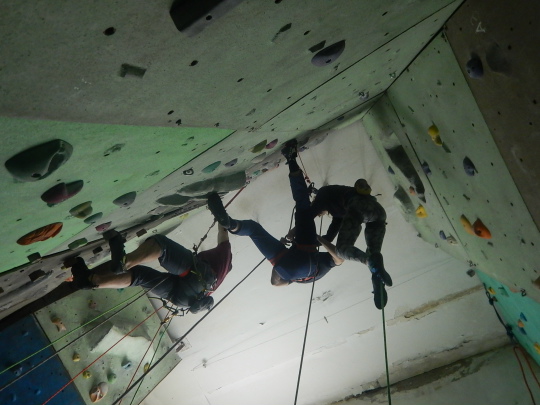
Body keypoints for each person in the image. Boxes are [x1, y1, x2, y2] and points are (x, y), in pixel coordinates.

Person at [207, 140, 355, 297]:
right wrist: (284, 260)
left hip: (305, 257)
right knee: (253, 230)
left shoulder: (321, 269)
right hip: (288, 264)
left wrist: (316, 237)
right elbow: (275, 283)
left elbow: (339, 259)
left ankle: (290, 157)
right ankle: (230, 224)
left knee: (303, 204)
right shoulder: (296, 278)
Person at [67, 222, 233, 313]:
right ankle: (94, 281)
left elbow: (223, 232)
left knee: (162, 246)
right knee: (140, 276)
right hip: (184, 300)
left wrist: (220, 216)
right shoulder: (217, 280)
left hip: (197, 278)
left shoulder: (225, 259)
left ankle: (124, 262)